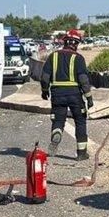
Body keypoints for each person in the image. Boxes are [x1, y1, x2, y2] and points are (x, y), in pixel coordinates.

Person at [41, 28, 93, 159]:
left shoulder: (53, 56)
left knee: (58, 120)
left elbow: (45, 77)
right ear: (76, 43)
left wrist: (45, 91)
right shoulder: (78, 58)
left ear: (65, 42)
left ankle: (57, 131)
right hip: (75, 95)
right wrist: (89, 98)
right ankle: (81, 153)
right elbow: (83, 80)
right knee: (80, 121)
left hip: (57, 94)